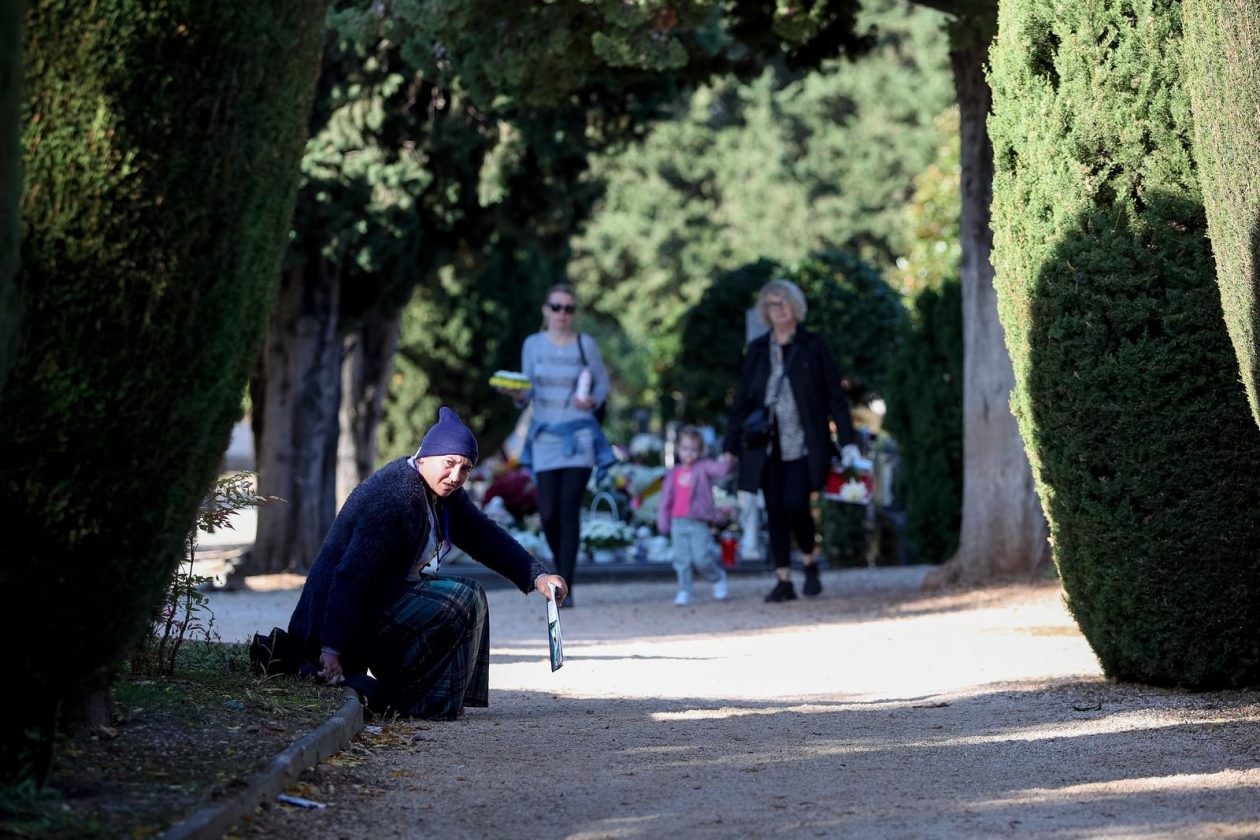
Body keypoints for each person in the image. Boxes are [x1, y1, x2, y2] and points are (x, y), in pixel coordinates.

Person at [285, 406, 568, 719]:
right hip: (335, 621)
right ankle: (422, 701)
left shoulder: (440, 492)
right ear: (424, 456)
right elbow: (351, 576)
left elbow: (485, 536)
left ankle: (443, 699)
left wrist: (538, 577)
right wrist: (330, 649)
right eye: (450, 464)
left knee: (469, 593)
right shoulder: (395, 495)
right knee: (460, 598)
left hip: (378, 603)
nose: (455, 477)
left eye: (466, 469)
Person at [723, 278, 860, 603]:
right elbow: (742, 401)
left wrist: (848, 440)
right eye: (772, 304)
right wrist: (730, 445)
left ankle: (810, 559)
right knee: (774, 509)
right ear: (765, 311)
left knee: (796, 503)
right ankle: (783, 578)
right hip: (764, 446)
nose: (778, 309)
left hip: (804, 442)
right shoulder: (757, 350)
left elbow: (834, 397)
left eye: (783, 303)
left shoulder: (813, 345)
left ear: (795, 307)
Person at [502, 282, 615, 608]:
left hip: (579, 436)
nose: (561, 314)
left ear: (573, 313)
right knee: (549, 512)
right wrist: (513, 394)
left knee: (568, 509)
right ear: (545, 310)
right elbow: (527, 392)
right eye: (556, 306)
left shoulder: (585, 344)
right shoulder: (532, 345)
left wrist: (592, 400)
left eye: (568, 308)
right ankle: (561, 577)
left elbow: (602, 382)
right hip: (545, 437)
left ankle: (566, 584)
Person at [657, 425, 735, 605]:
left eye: (693, 449)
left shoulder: (703, 467)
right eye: (685, 449)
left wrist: (729, 459)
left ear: (700, 451)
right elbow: (666, 499)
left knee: (701, 557)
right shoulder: (674, 473)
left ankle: (717, 577)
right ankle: (685, 590)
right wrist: (663, 520)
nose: (689, 453)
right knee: (681, 559)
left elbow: (721, 470)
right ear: (678, 449)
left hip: (699, 520)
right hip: (678, 521)